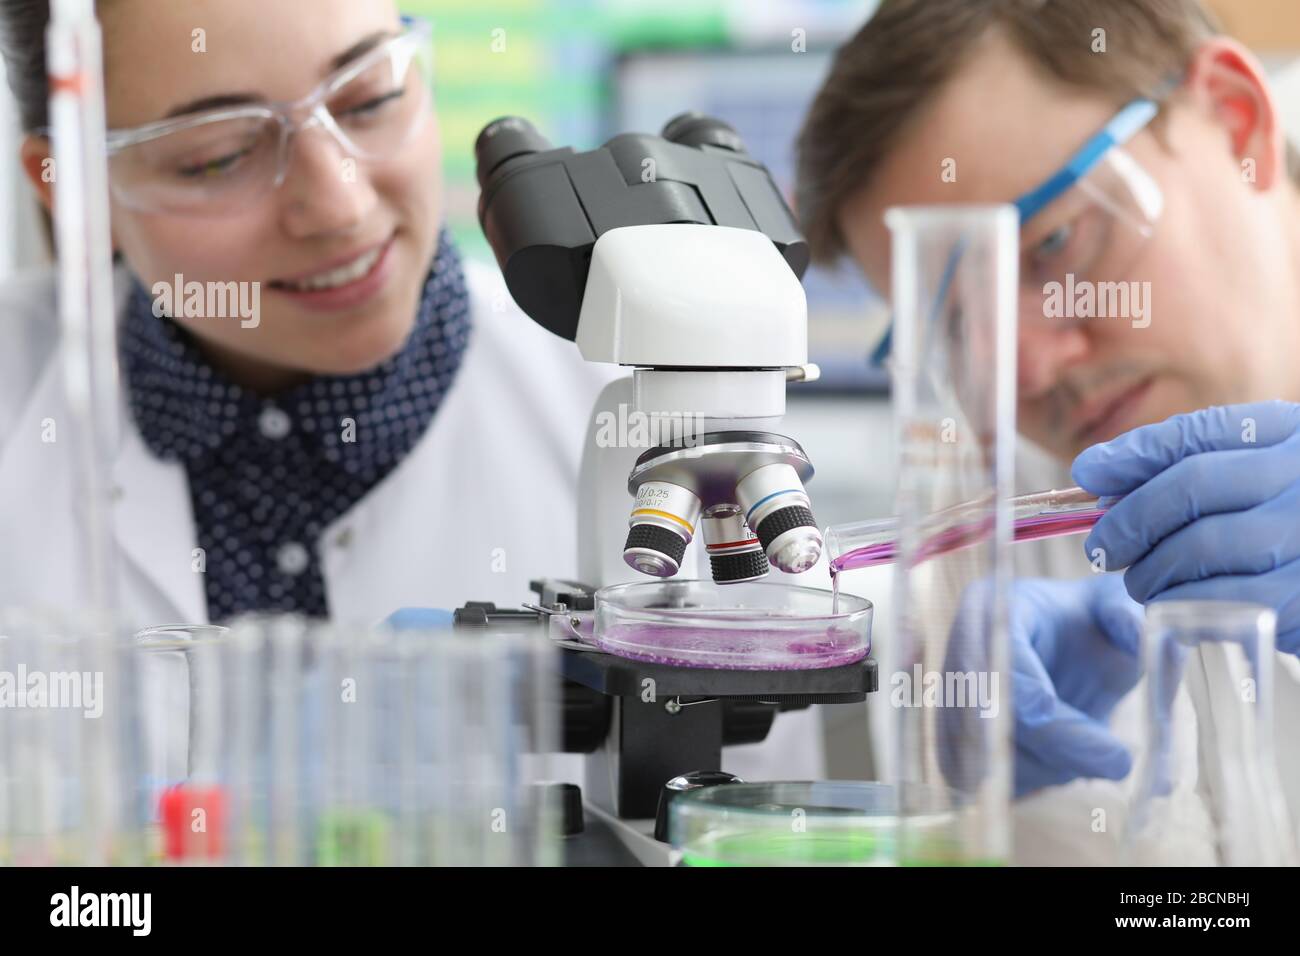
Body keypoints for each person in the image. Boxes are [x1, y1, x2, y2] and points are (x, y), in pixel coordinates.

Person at [0, 0, 825, 781]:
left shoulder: (645, 404)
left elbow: (748, 822)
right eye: (217, 155)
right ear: (67, 183)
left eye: (367, 99)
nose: (340, 205)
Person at [797, 0, 1300, 853]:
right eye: (955, 328)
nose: (1024, 371)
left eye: (1055, 245)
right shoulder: (1009, 528)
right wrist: (952, 772)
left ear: (1236, 120)